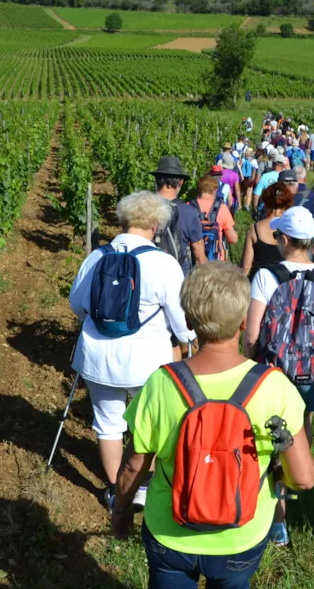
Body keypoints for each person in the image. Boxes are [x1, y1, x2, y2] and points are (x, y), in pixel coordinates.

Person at [111, 262, 314, 587]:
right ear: (244, 320)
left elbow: (134, 466)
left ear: (189, 321)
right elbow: (304, 479)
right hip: (241, 536)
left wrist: (120, 512)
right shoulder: (275, 386)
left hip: (170, 532)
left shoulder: (161, 384)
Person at [69, 191, 198, 510]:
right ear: (155, 225)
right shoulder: (164, 263)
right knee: (149, 424)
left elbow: (77, 305)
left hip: (97, 357)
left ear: (123, 221)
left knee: (108, 422)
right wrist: (188, 344)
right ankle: (144, 487)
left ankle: (117, 491)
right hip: (147, 363)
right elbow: (181, 321)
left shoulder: (97, 257)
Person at [244, 206, 314, 546]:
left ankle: (277, 520)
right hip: (312, 377)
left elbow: (251, 336)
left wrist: (255, 364)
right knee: (301, 426)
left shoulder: (266, 276)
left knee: (269, 437)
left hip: (273, 375)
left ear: (286, 239)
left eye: (278, 236)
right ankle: (296, 478)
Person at [152, 156, 207, 276]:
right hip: (177, 276)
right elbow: (199, 256)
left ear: (156, 180)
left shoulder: (141, 207)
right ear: (180, 182)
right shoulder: (189, 212)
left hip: (147, 274)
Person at [240, 182, 292, 278]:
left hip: (259, 280)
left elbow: (245, 267)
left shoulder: (255, 228)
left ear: (266, 203)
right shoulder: (291, 228)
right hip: (283, 282)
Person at [281, 167, 314, 265]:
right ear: (296, 186)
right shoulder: (310, 203)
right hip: (305, 254)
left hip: (278, 255)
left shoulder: (270, 205)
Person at [191, 175, 238, 262]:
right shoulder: (222, 208)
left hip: (193, 260)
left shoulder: (188, 207)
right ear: (215, 191)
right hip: (216, 263)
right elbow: (233, 239)